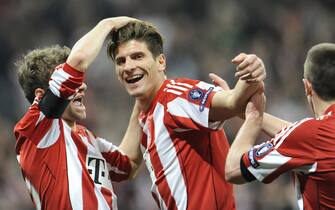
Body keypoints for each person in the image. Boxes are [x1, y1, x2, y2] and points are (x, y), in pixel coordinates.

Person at [106, 20, 266, 210]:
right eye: (121, 61)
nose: (128, 66)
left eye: (137, 56)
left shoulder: (176, 97)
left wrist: (252, 70)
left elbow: (232, 102)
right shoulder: (146, 114)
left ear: (161, 61)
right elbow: (127, 164)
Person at [13, 17, 143, 210]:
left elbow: (128, 164)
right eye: (73, 84)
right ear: (40, 96)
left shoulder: (87, 138)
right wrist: (108, 24)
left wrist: (143, 96)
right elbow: (79, 61)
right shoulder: (34, 129)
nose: (82, 86)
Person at [224, 43, 335, 210]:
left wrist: (253, 119)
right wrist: (247, 112)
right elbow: (304, 140)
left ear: (307, 87)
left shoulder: (312, 136)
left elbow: (233, 169)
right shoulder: (317, 136)